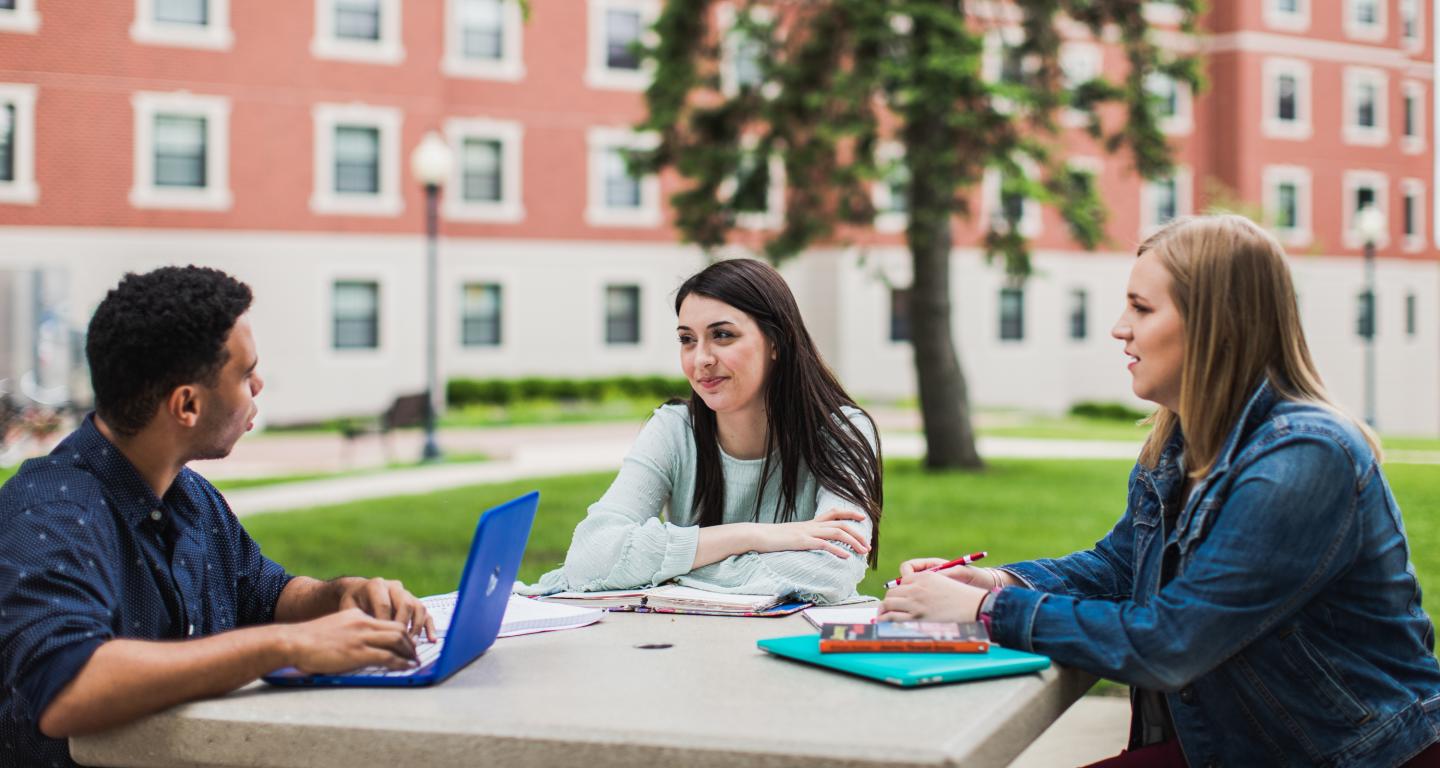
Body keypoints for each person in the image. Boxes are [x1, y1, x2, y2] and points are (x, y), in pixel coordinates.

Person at [880, 215, 1440, 767]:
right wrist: (998, 579)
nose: (1119, 328)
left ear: (1216, 326)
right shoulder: (1179, 440)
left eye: (1142, 308)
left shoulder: (1305, 458)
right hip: (1245, 744)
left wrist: (985, 609)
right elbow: (1119, 568)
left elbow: (1171, 643)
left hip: (1349, 754)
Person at [0, 266, 436, 767]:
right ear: (186, 404)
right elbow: (68, 688)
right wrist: (288, 645)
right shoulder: (49, 516)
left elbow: (264, 594)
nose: (259, 383)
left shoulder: (188, 494)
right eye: (245, 373)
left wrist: (340, 596)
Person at [519, 258, 882, 604]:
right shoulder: (674, 429)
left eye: (722, 335)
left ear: (776, 342)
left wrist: (662, 570)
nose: (701, 359)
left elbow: (833, 569)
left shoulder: (843, 432)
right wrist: (754, 535)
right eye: (687, 339)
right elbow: (590, 557)